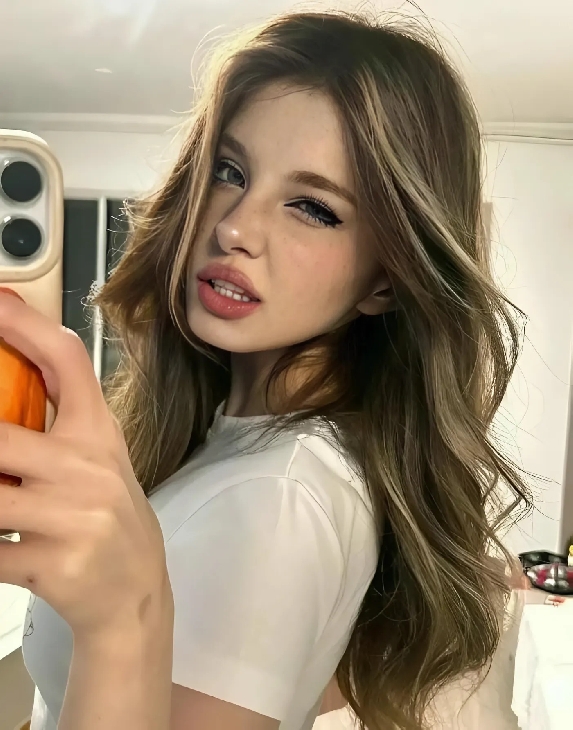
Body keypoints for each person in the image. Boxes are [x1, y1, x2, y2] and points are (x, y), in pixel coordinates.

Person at [0, 9, 532, 730]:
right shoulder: (254, 451)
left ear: (386, 280)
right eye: (229, 172)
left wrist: (124, 619)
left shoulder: (279, 495)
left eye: (312, 208)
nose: (234, 227)